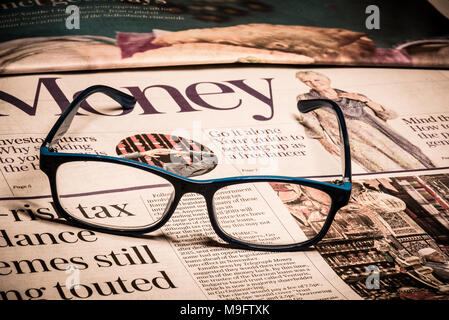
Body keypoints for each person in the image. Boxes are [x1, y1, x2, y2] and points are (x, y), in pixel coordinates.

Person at [296, 71, 435, 172]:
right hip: (357, 141)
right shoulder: (306, 99)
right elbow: (310, 122)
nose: (313, 83)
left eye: (316, 79)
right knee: (383, 168)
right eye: (307, 82)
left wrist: (365, 100)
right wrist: (324, 142)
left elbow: (389, 115)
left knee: (412, 162)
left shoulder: (355, 96)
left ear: (327, 79)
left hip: (385, 136)